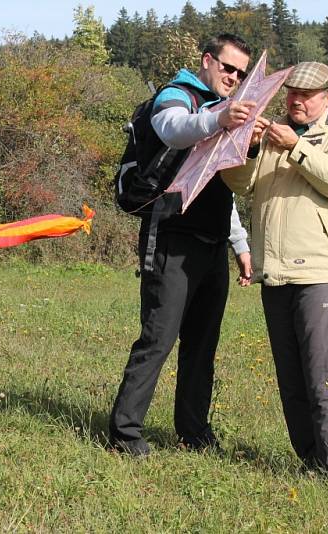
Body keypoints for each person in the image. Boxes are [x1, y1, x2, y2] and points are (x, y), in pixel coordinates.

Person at [109, 34, 255, 457]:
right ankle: (125, 434)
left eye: (241, 73)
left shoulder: (223, 111)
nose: (234, 77)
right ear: (207, 60)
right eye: (228, 67)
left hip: (211, 245)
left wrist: (240, 244)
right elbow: (172, 131)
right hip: (171, 237)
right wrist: (220, 118)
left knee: (202, 343)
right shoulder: (179, 95)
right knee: (158, 338)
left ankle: (193, 432)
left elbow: (213, 184)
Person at [221, 61, 328, 475]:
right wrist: (248, 148)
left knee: (324, 373)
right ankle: (313, 462)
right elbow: (239, 184)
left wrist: (295, 147)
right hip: (275, 273)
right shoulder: (272, 133)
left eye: (306, 95)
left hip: (321, 273)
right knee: (292, 379)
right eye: (291, 94)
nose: (296, 101)